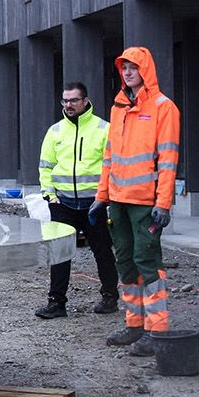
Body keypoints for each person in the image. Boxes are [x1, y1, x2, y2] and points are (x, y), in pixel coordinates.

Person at [94, 47, 181, 354]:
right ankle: (135, 325)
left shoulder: (163, 107)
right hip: (118, 200)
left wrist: (163, 203)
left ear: (146, 70)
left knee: (148, 262)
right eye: (124, 68)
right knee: (126, 262)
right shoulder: (118, 107)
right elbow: (109, 157)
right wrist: (101, 196)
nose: (128, 72)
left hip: (146, 203)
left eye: (134, 67)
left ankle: (157, 331)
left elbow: (168, 160)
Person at [33, 82, 119, 319]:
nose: (68, 105)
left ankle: (110, 298)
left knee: (103, 251)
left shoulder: (104, 129)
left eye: (73, 100)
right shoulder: (55, 131)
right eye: (65, 100)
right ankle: (56, 303)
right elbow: (45, 166)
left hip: (95, 204)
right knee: (60, 255)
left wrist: (106, 197)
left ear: (85, 101)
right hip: (63, 204)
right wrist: (50, 195)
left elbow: (113, 166)